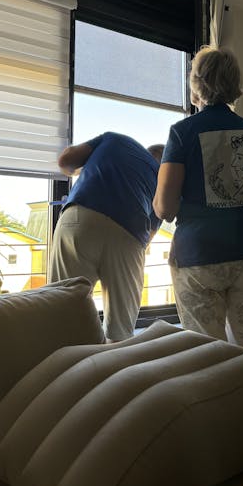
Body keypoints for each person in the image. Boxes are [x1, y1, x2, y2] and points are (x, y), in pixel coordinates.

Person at [153, 46, 243, 350]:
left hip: (200, 256)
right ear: (235, 84)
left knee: (207, 356)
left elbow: (164, 207)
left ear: (196, 84)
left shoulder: (182, 132)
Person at [52, 132, 163, 341]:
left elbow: (65, 161)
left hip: (80, 215)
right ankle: (115, 352)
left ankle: (64, 355)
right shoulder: (162, 178)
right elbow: (148, 238)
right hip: (129, 230)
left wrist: (81, 170)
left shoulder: (115, 139)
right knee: (121, 327)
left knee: (62, 306)